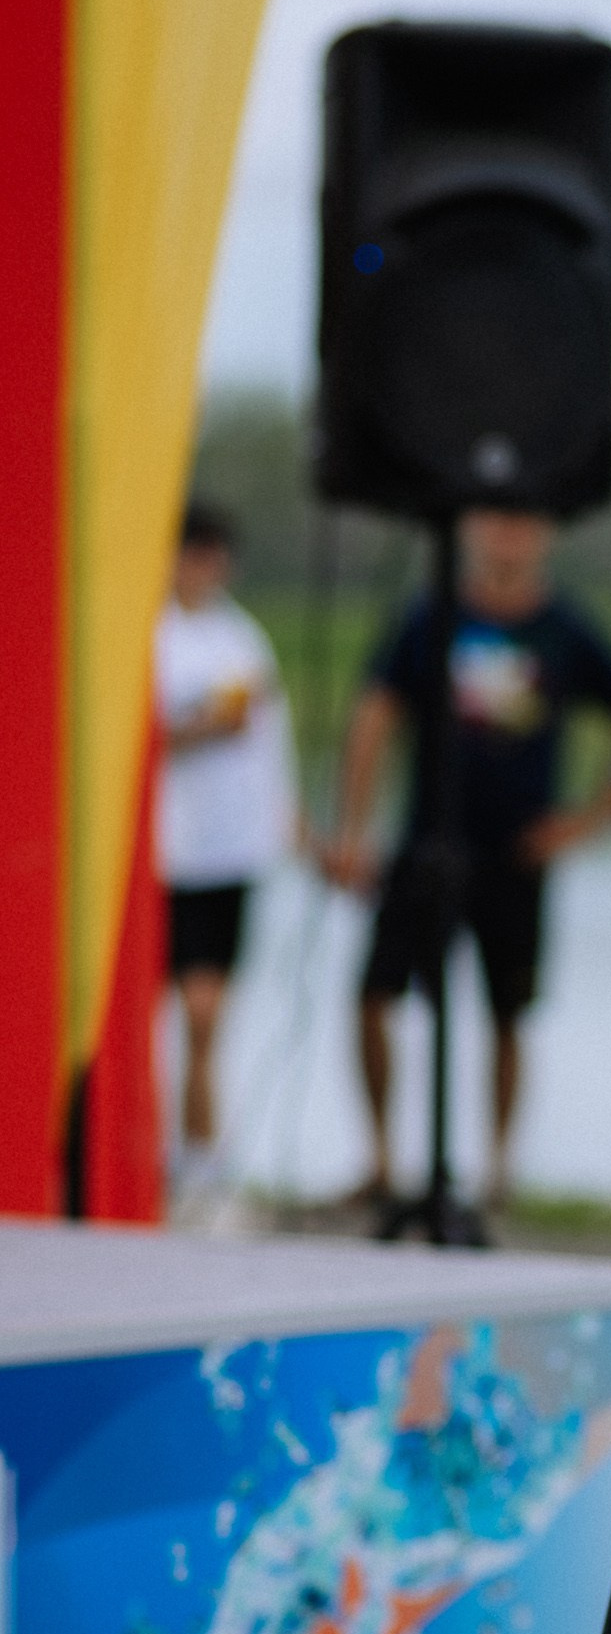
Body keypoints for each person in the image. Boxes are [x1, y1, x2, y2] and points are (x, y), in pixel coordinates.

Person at [324, 510, 611, 1206]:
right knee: (375, 993)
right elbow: (375, 714)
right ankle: (379, 1159)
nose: (509, 538)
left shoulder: (565, 627)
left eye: (525, 524)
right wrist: (352, 829)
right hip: (427, 839)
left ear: (547, 536)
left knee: (508, 1012)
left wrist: (583, 822)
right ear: (468, 532)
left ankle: (498, 1171)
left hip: (517, 854)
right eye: (495, 524)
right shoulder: (428, 615)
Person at [153, 499, 298, 1219]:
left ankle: (202, 1160)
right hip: (156, 852)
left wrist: (297, 832)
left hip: (224, 852)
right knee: (143, 1017)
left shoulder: (243, 638)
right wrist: (206, 723)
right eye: (191, 552)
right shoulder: (149, 633)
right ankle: (139, 1154)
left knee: (205, 1016)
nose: (203, 568)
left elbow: (272, 748)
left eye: (213, 554)